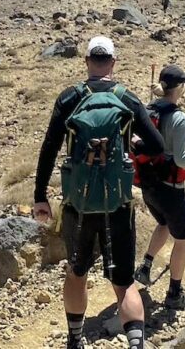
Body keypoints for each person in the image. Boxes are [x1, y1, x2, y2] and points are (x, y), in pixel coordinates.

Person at [34, 36, 164, 349]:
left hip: (78, 205)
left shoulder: (70, 98)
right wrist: (134, 147)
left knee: (76, 272)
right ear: (113, 63)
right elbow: (158, 146)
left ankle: (75, 340)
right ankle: (136, 344)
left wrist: (40, 195)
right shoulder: (127, 98)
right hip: (117, 205)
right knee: (122, 283)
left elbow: (50, 148)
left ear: (88, 62)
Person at [132, 65, 185, 309]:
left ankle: (146, 266)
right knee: (182, 240)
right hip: (171, 188)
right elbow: (181, 159)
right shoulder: (178, 118)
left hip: (149, 184)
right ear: (180, 87)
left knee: (163, 224)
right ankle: (175, 294)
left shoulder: (148, 110)